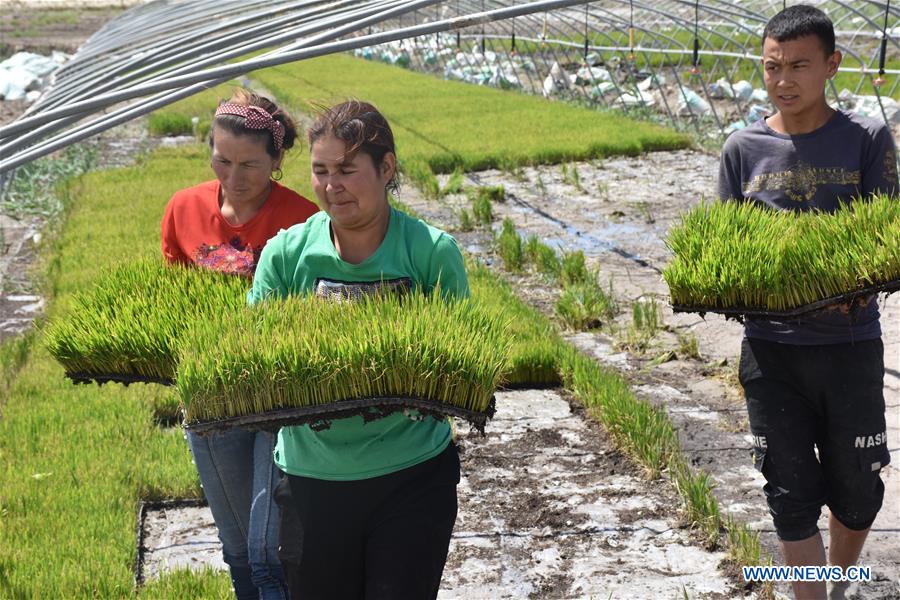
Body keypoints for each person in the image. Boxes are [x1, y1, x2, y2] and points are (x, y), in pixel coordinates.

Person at [248, 100, 468, 600]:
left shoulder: (430, 253)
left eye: (347, 169)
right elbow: (254, 357)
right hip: (311, 481)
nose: (331, 186)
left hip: (411, 478)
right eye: (321, 171)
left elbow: (459, 363)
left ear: (385, 167)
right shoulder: (286, 255)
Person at [717, 6, 897, 599]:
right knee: (788, 491)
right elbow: (725, 247)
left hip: (849, 346)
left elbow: (885, 236)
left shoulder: (866, 138)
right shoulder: (742, 148)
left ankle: (837, 584)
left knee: (859, 486)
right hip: (771, 353)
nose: (783, 80)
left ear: (831, 66)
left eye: (798, 66)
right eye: (771, 67)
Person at [161, 88, 318, 599]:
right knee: (235, 546)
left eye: (249, 164)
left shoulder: (305, 220)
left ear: (277, 159)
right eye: (221, 160)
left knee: (266, 547)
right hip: (210, 398)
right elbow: (173, 305)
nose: (233, 177)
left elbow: (315, 317)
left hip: (278, 399)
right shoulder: (182, 208)